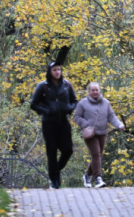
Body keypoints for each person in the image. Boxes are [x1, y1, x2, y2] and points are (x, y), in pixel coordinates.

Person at [30, 60, 78, 189]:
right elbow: (33, 104)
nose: (57, 72)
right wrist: (47, 111)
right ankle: (54, 181)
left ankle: (55, 171)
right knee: (51, 152)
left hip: (63, 121)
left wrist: (69, 108)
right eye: (54, 70)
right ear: (50, 72)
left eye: (59, 70)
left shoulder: (67, 85)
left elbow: (75, 101)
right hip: (49, 123)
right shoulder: (43, 86)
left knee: (68, 150)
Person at [74, 82, 126, 188]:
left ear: (99, 91)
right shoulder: (82, 103)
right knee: (96, 154)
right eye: (92, 90)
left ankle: (87, 175)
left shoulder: (106, 103)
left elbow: (111, 116)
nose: (95, 92)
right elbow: (77, 117)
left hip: (102, 132)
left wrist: (119, 124)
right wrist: (85, 124)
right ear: (89, 91)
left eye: (96, 90)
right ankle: (98, 178)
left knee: (97, 156)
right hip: (90, 133)